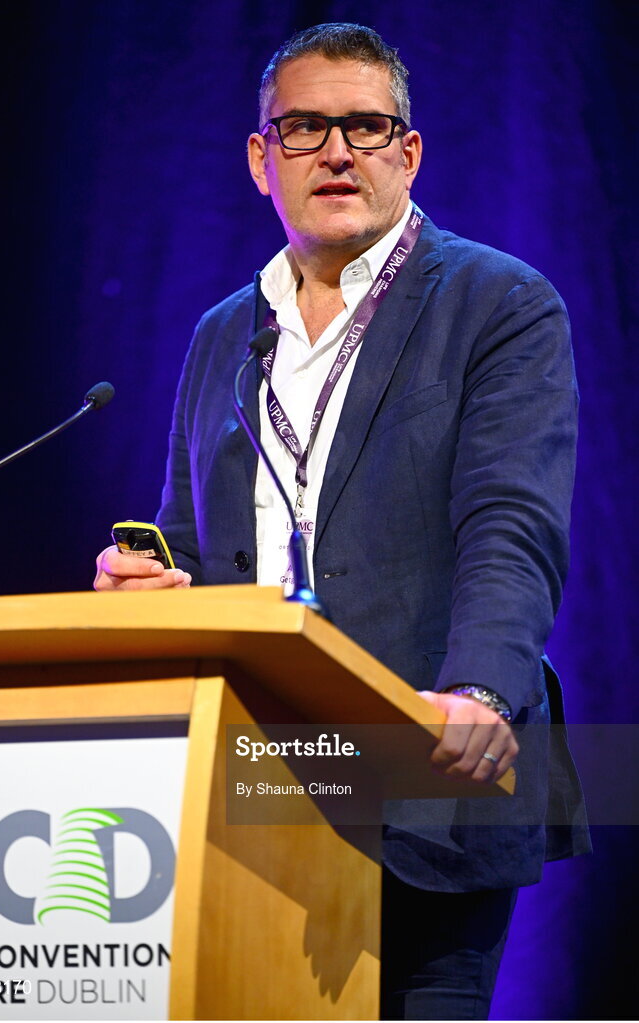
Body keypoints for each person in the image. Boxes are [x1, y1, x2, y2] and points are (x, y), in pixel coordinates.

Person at [94, 23, 589, 1019]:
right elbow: (189, 541)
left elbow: (511, 520)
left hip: (426, 767)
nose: (335, 151)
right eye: (305, 127)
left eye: (365, 127)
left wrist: (482, 691)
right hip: (252, 788)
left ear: (407, 152)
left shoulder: (498, 303)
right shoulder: (225, 333)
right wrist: (150, 586)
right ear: (259, 158)